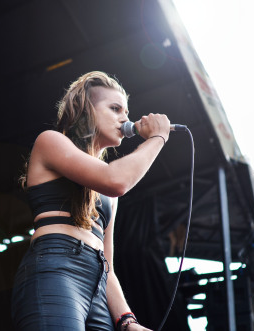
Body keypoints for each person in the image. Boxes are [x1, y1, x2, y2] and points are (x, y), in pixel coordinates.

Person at [11, 71, 170, 331]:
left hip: (97, 284)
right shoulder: (50, 141)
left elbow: (108, 264)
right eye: (115, 108)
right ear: (88, 110)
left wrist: (127, 320)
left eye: (126, 112)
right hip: (56, 267)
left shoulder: (107, 192)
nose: (124, 118)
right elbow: (116, 180)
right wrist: (157, 138)